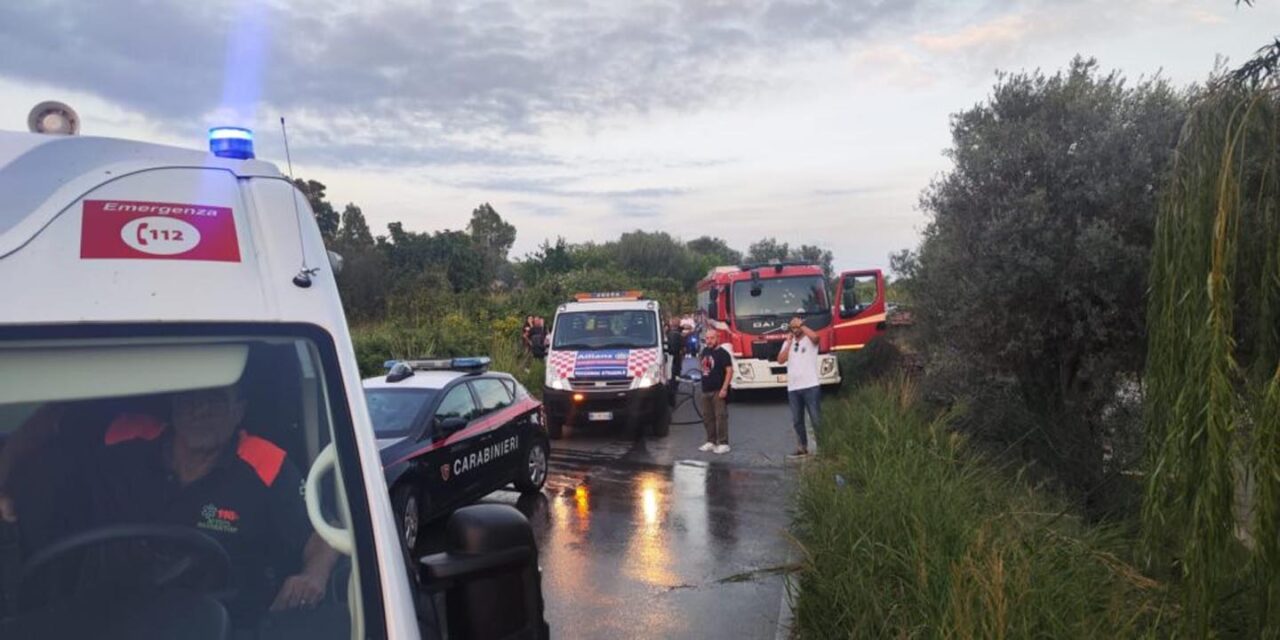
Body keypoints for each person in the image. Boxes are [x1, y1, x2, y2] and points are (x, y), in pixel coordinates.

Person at [0, 384, 338, 626]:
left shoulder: (267, 464)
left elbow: (323, 533)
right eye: (190, 397)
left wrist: (313, 575)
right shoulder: (123, 434)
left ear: (240, 411)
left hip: (221, 624)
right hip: (105, 616)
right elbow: (50, 421)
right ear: (173, 404)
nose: (200, 409)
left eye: (215, 399)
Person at [777, 315, 821, 458]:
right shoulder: (787, 343)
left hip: (811, 385)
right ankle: (802, 447)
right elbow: (780, 360)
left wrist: (801, 325)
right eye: (793, 327)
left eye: (797, 326)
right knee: (797, 420)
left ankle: (824, 447)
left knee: (816, 419)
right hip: (793, 388)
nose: (795, 329)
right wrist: (789, 342)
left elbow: (816, 338)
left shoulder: (809, 340)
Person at [697, 330, 733, 454]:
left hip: (718, 390)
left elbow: (729, 371)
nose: (709, 341)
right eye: (707, 338)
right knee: (708, 417)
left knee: (720, 417)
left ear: (717, 338)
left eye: (712, 338)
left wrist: (724, 388)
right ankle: (711, 441)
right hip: (705, 389)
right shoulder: (705, 352)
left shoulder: (723, 354)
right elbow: (702, 367)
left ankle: (723, 443)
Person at [665, 317, 685, 404]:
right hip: (675, 360)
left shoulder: (668, 334)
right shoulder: (678, 335)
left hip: (670, 359)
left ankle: (671, 396)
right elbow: (682, 349)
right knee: (674, 378)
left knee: (671, 378)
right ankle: (672, 398)